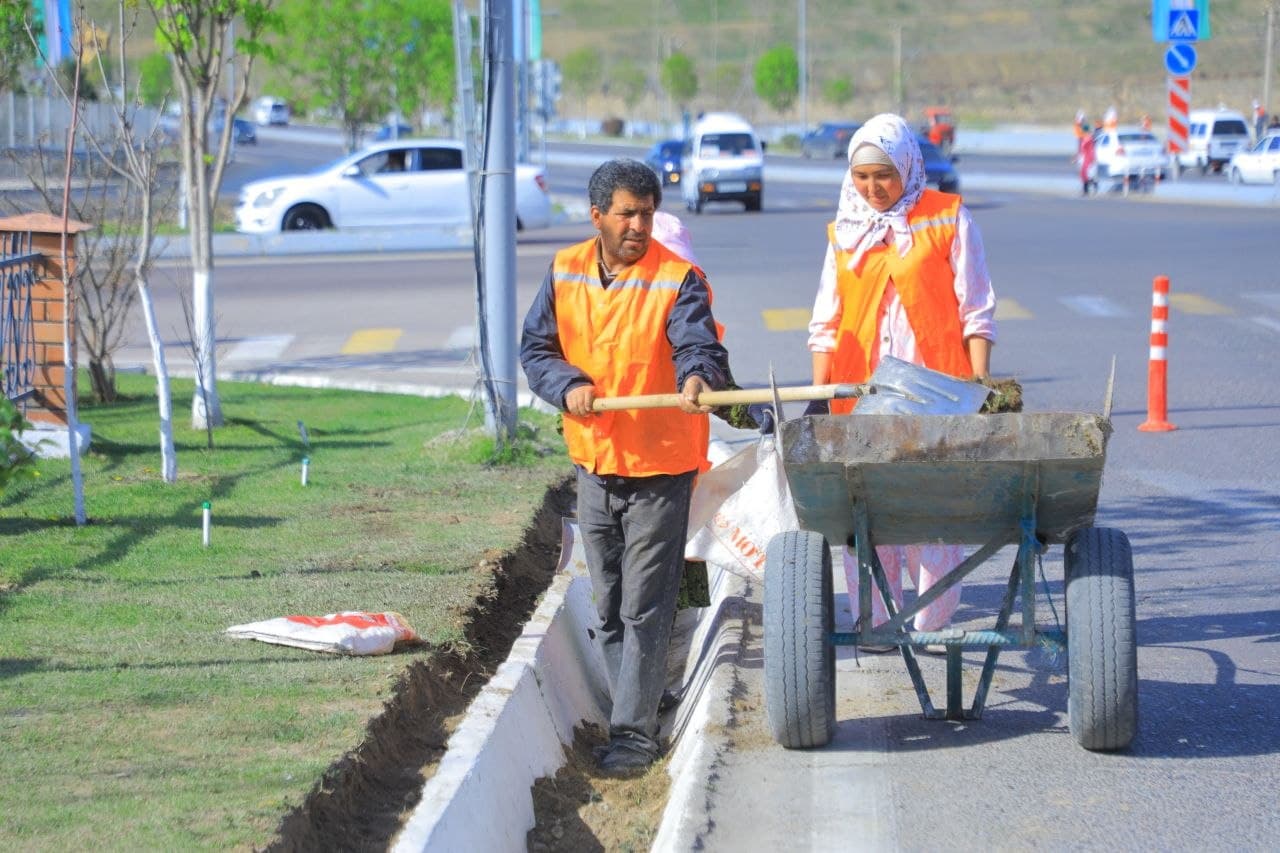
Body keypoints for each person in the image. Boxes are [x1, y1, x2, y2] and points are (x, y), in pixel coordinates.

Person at [520, 159, 730, 775]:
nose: (640, 225)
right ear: (597, 217)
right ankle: (638, 700)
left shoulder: (678, 278)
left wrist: (697, 375)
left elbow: (699, 343)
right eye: (627, 214)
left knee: (645, 603)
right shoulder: (563, 272)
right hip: (594, 464)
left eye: (647, 214)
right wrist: (567, 385)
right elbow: (538, 349)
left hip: (659, 469)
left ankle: (635, 736)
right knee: (607, 603)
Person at [805, 113, 997, 652]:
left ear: (908, 166)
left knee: (928, 508)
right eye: (862, 177)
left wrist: (981, 384)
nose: (873, 188)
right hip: (859, 396)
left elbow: (976, 309)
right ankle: (879, 619)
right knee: (867, 509)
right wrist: (821, 397)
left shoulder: (947, 219)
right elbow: (826, 321)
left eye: (883, 175)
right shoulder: (844, 232)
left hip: (934, 395)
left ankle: (930, 619)